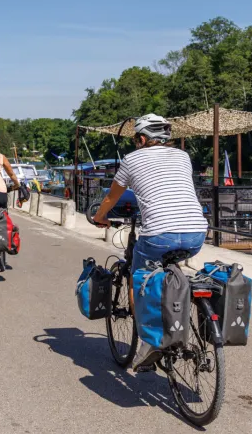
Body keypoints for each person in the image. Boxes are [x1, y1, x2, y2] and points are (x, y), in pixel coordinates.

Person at [92, 113, 208, 369]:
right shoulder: (183, 156)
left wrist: (100, 216)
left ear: (142, 139)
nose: (135, 143)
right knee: (170, 263)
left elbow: (112, 197)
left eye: (136, 139)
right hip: (197, 232)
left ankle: (150, 342)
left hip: (159, 235)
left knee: (139, 278)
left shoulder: (132, 159)